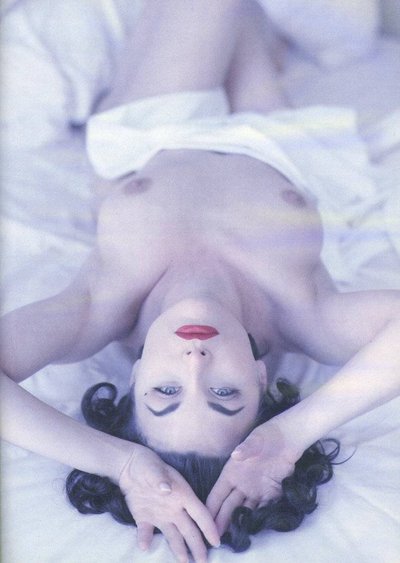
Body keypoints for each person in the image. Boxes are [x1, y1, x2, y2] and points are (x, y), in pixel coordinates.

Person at [1, 1, 399, 562]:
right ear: (261, 378)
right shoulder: (304, 316)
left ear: (135, 375)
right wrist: (291, 434)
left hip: (160, 131)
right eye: (225, 394)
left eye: (164, 393)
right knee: (250, 26)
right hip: (279, 144)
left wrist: (123, 463)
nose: (194, 362)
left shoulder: (101, 308)